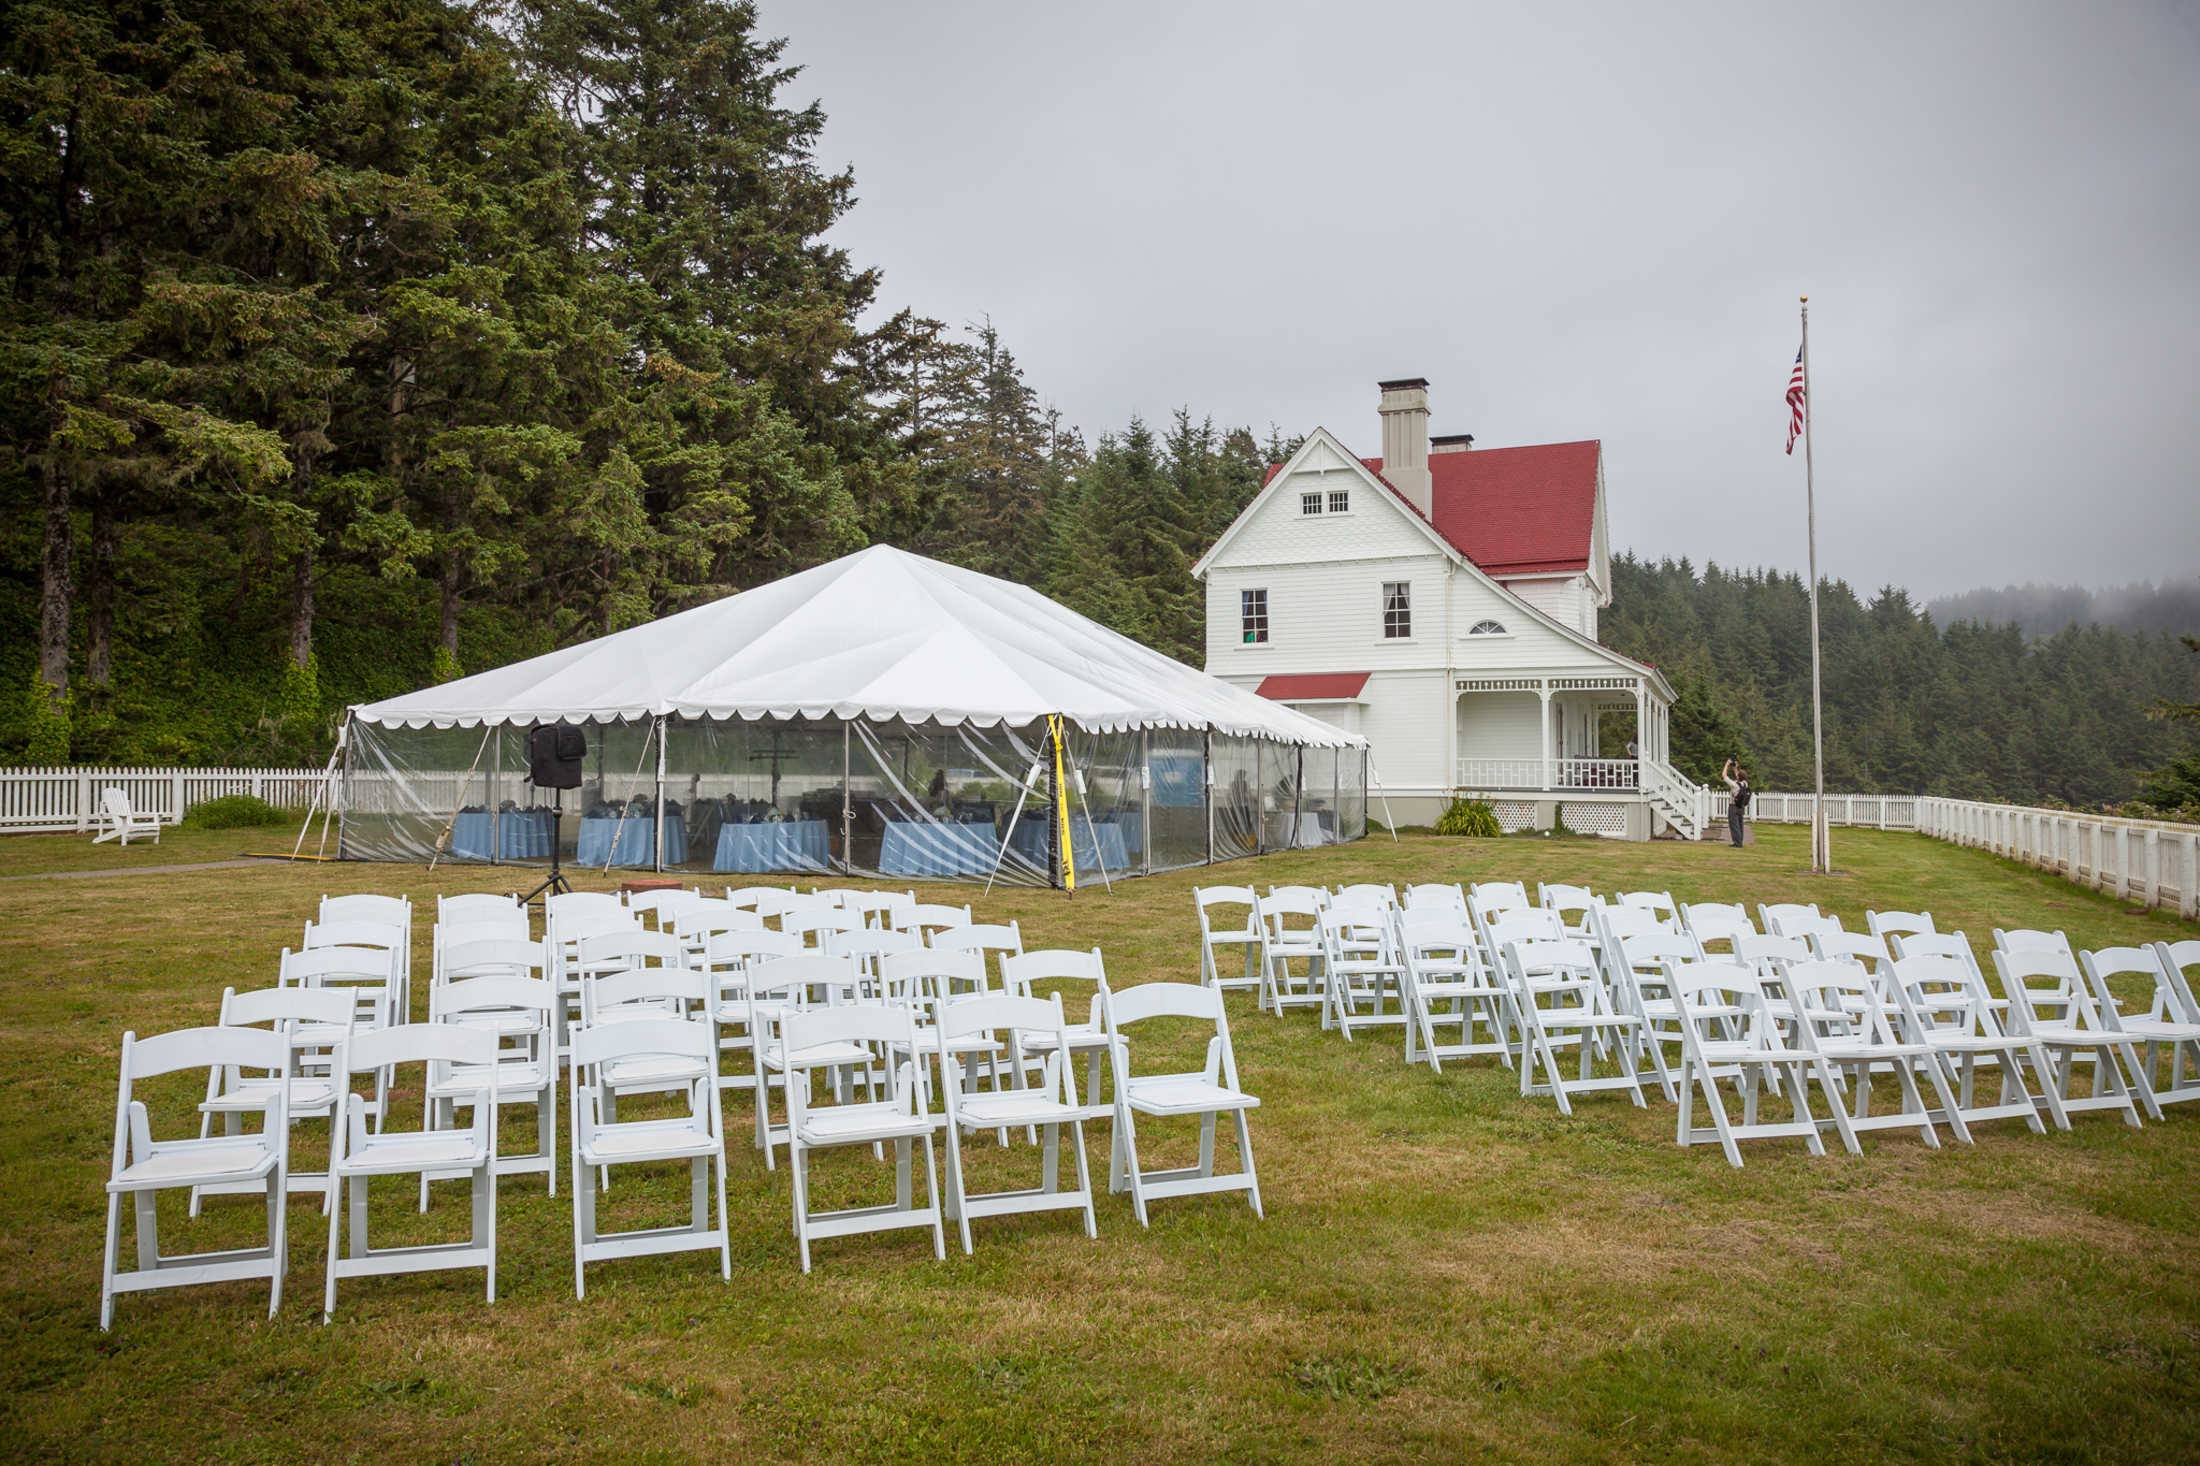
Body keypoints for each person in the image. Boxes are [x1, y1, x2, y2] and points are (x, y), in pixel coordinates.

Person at [1721, 758, 1752, 847]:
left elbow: (1724, 776)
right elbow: (1738, 776)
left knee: (1734, 825)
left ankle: (1737, 843)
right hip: (1741, 806)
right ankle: (1739, 841)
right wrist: (1735, 768)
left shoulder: (1735, 786)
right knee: (1740, 824)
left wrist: (1727, 765)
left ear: (1739, 776)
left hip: (1733, 806)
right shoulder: (1745, 784)